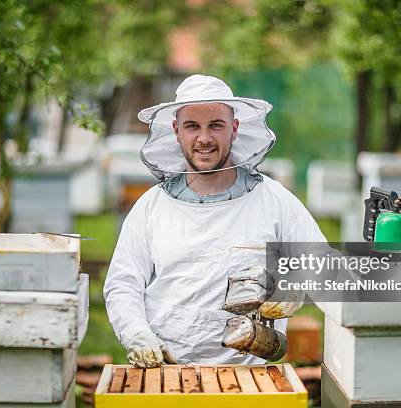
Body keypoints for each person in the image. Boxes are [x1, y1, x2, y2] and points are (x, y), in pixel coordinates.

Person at [103, 74, 327, 368]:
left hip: (249, 378)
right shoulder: (151, 206)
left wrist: (295, 287)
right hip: (167, 373)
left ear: (234, 129)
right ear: (176, 130)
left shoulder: (274, 200)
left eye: (216, 125)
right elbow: (123, 284)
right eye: (192, 126)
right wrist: (137, 333)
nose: (204, 138)